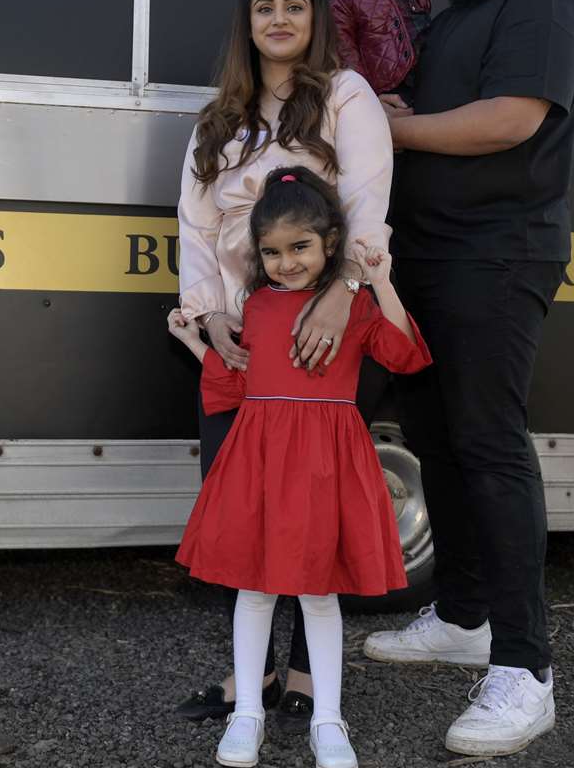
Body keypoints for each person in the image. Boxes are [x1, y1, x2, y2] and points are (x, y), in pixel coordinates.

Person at [363, 0, 574, 758]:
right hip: (423, 258)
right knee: (440, 441)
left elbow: (511, 120)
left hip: (500, 250)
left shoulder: (540, 8)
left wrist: (397, 127)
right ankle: (462, 618)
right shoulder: (446, 20)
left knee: (490, 443)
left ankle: (526, 670)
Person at [174, 0, 394, 737]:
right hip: (239, 340)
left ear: (315, 19)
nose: (278, 19)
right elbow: (196, 230)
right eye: (263, 8)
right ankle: (257, 677)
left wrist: (342, 296)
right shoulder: (219, 119)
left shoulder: (345, 96)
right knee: (248, 512)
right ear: (248, 24)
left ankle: (306, 678)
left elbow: (367, 207)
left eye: (294, 6)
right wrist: (208, 320)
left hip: (325, 335)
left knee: (314, 508)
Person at [169, 166, 432, 768]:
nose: (286, 262)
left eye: (300, 248)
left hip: (324, 463)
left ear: (331, 243)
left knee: (319, 594)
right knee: (254, 589)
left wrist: (380, 282)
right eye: (272, 252)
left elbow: (406, 353)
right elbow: (238, 379)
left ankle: (329, 720)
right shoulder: (256, 305)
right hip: (259, 461)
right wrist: (192, 342)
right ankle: (247, 716)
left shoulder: (354, 307)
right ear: (258, 255)